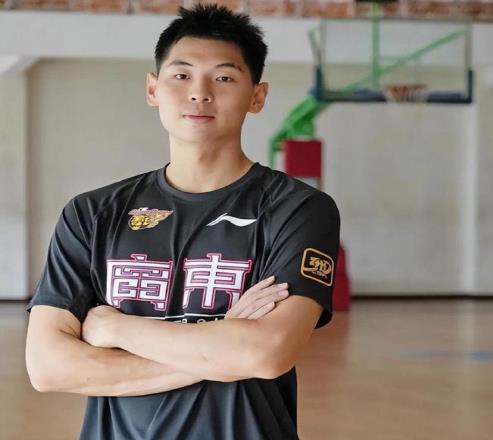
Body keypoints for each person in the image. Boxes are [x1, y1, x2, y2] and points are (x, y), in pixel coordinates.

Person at [25, 3, 340, 439]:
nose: (200, 92)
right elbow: (48, 367)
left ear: (257, 96)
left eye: (224, 78)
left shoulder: (297, 209)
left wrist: (117, 328)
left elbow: (266, 353)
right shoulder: (92, 213)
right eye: (181, 75)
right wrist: (224, 343)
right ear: (153, 89)